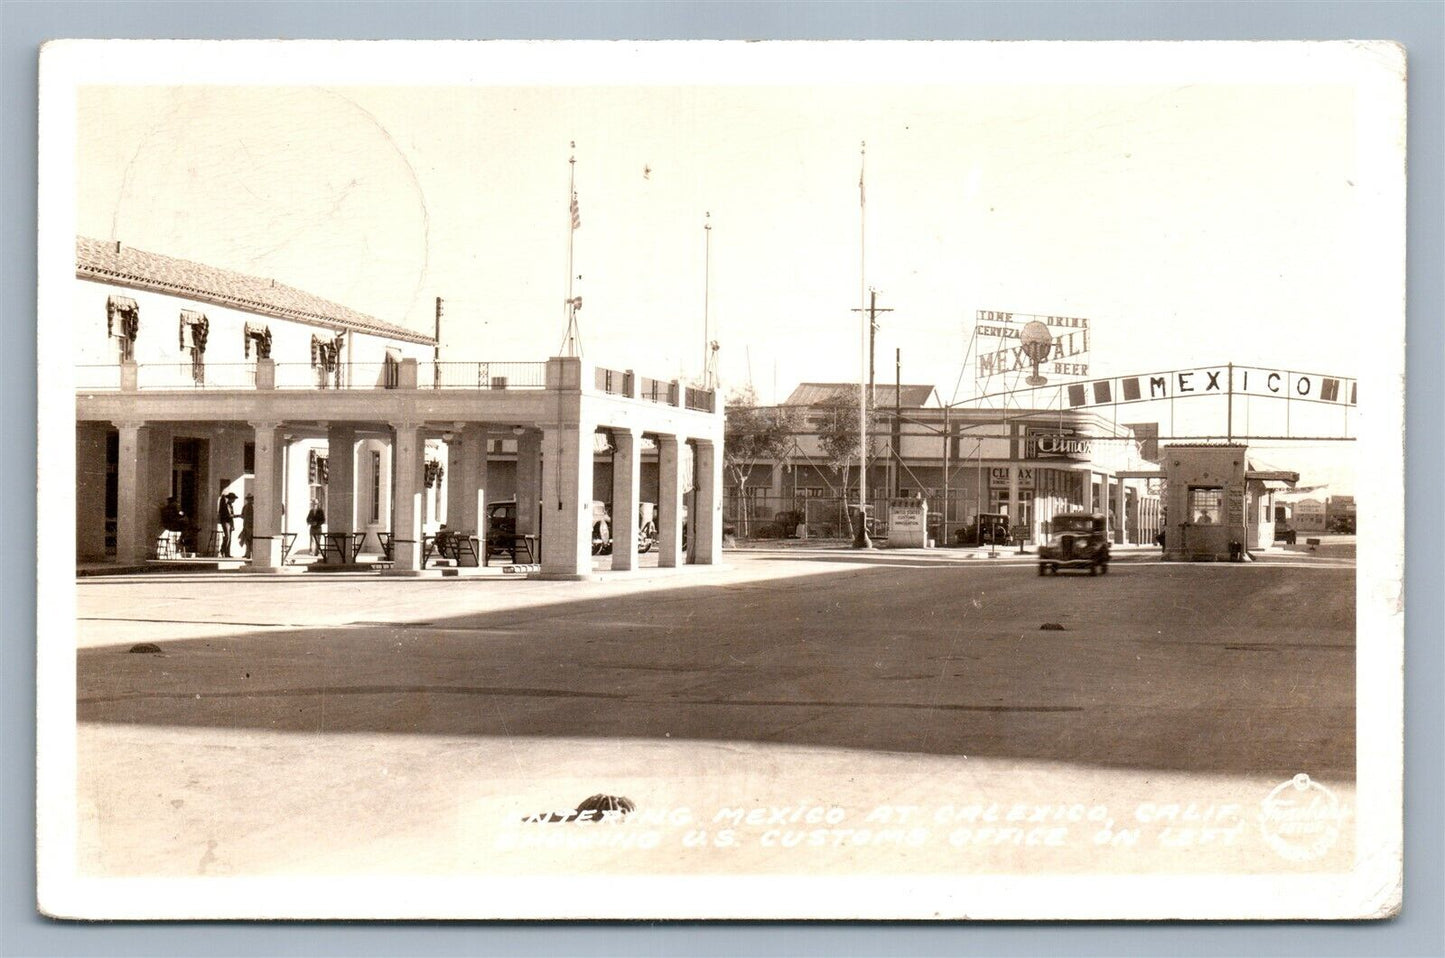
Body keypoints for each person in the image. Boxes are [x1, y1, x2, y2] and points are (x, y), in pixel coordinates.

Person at [217, 491, 237, 557]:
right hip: (226, 522)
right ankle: (222, 550)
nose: (234, 500)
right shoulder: (226, 505)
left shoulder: (230, 505)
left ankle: (227, 553)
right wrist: (238, 515)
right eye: (233, 498)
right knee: (227, 537)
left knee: (229, 538)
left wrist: (233, 524)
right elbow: (229, 515)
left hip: (229, 522)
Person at [240, 493, 255, 559]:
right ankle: (247, 553)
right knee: (247, 540)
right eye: (249, 499)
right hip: (246, 525)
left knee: (251, 540)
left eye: (251, 499)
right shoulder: (245, 507)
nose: (250, 500)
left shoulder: (253, 507)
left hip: (251, 525)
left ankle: (250, 553)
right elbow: (242, 515)